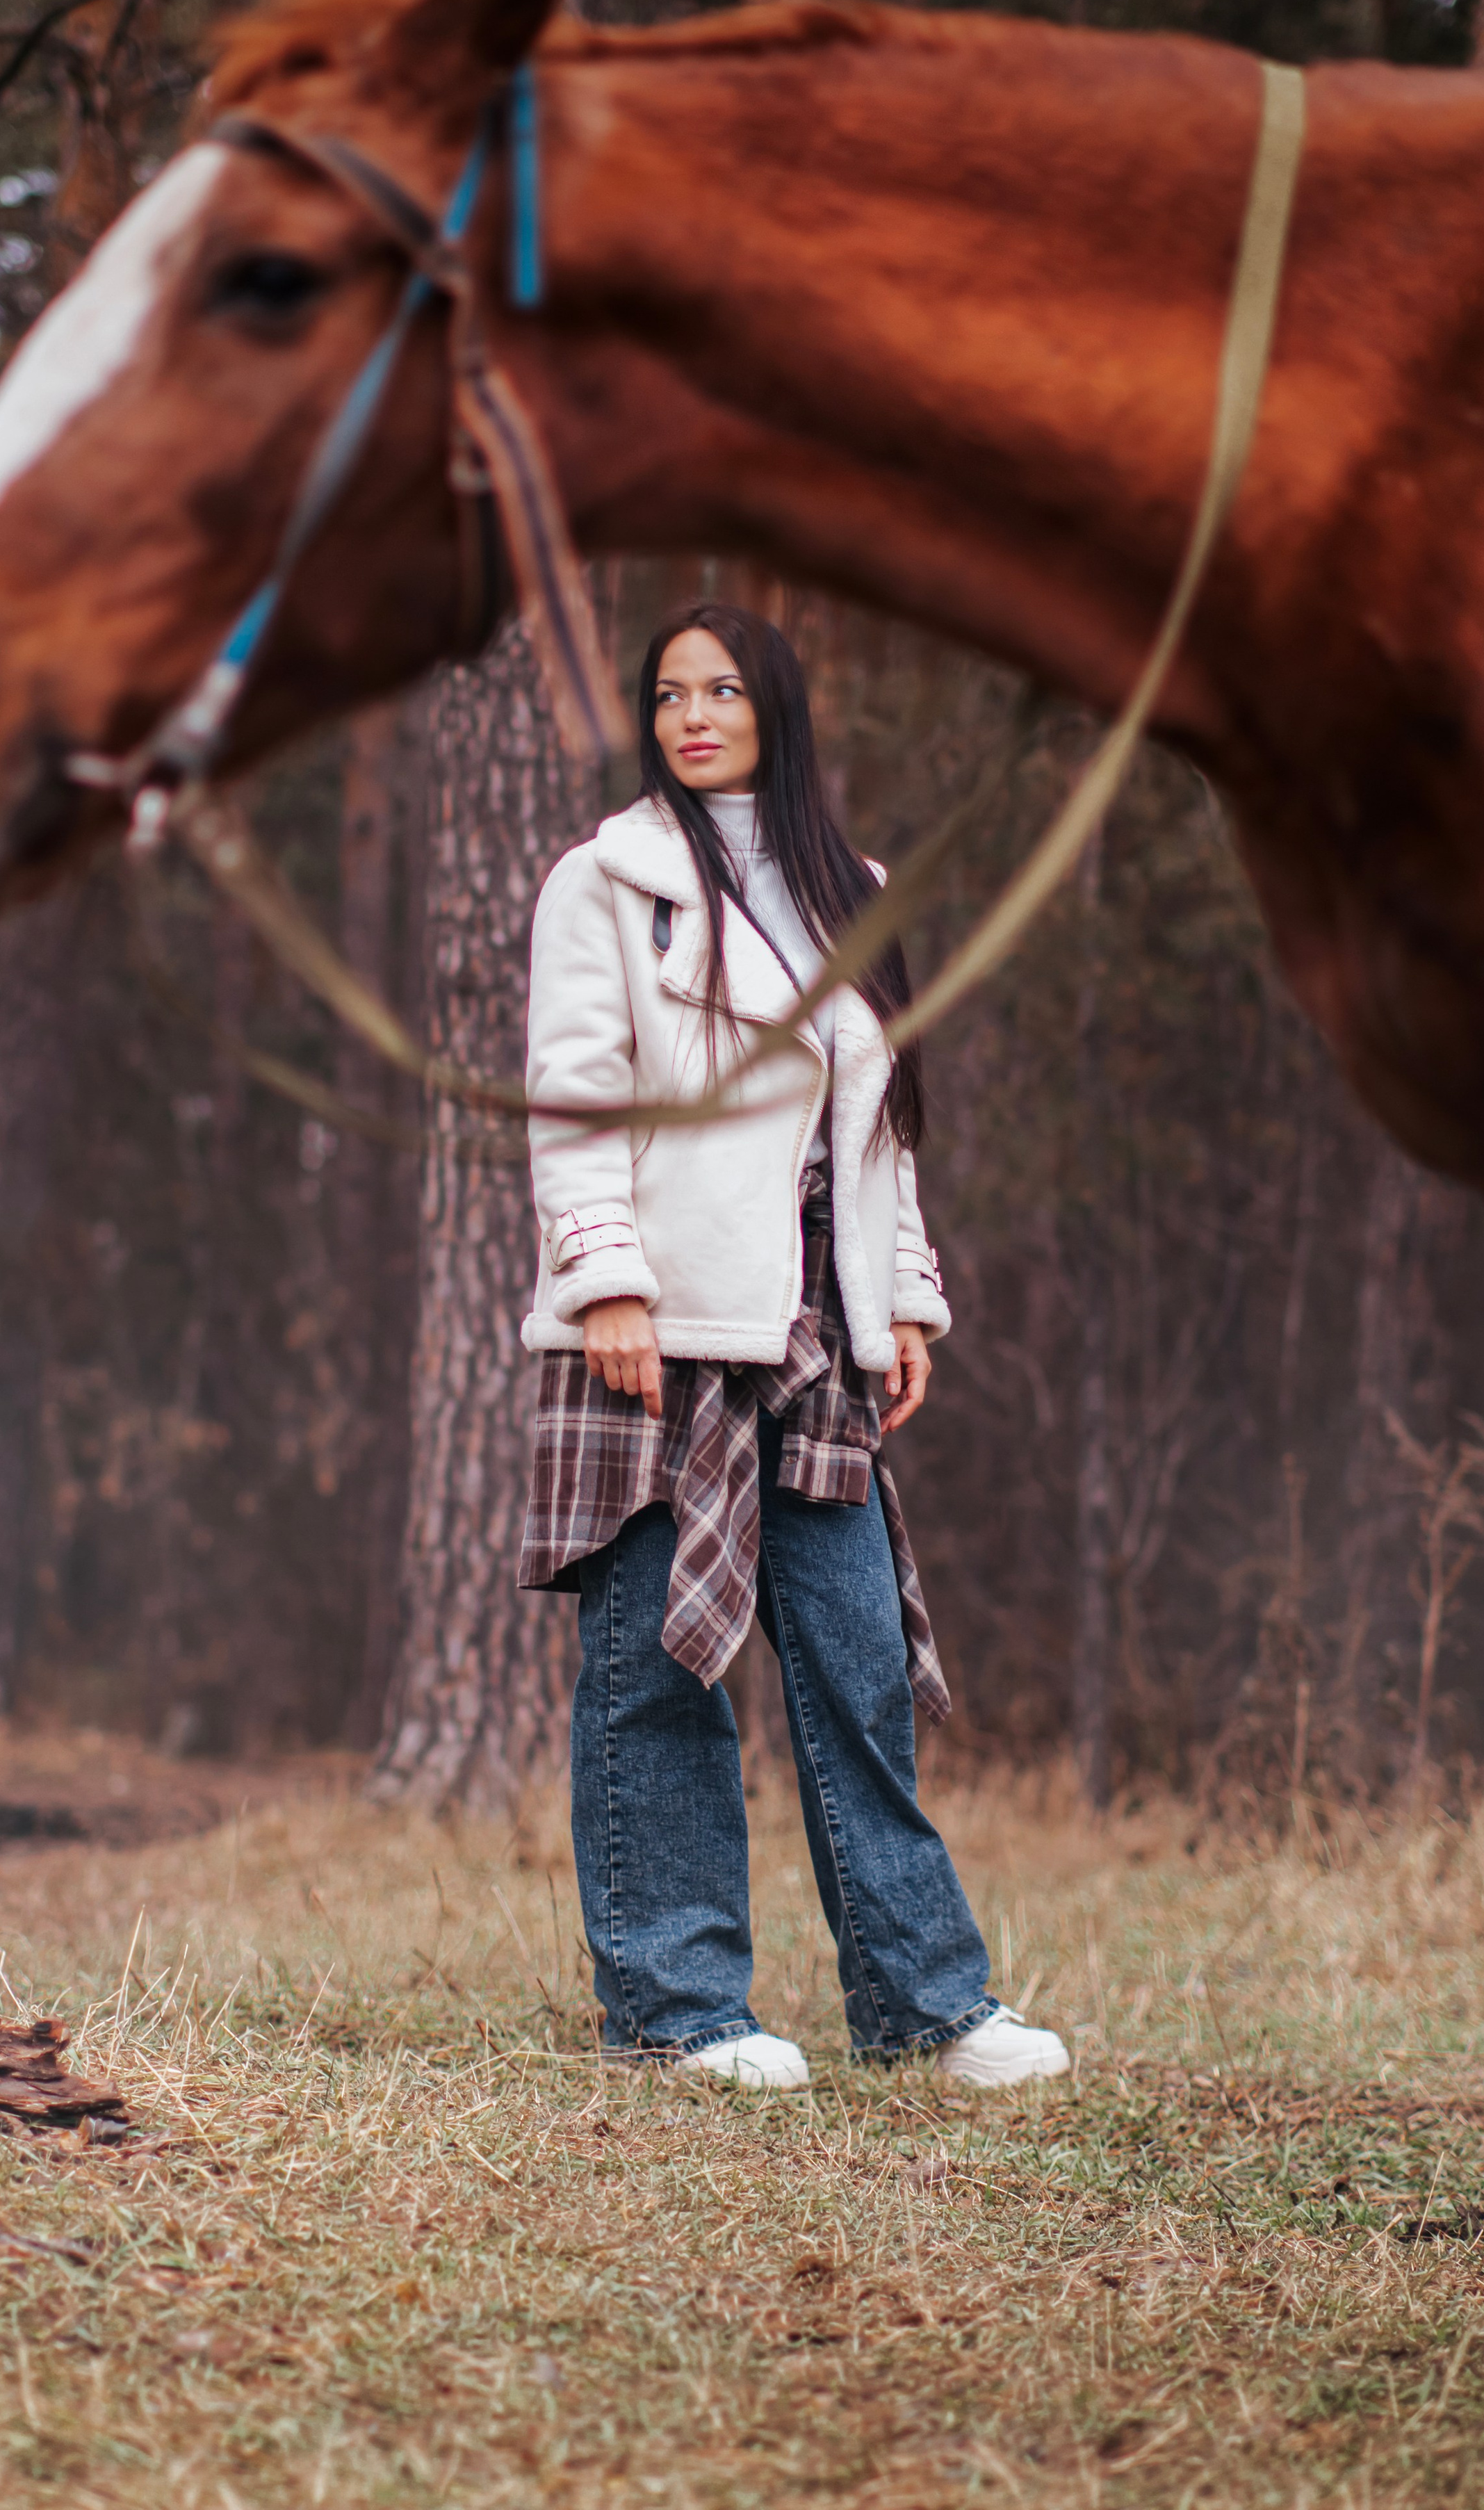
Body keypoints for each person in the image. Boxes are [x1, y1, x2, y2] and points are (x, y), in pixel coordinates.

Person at [517, 603, 1069, 2094]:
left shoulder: (853, 891)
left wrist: (902, 1302)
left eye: (721, 690)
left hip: (818, 1335)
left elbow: (873, 1128)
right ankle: (678, 2012)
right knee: (654, 1671)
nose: (691, 715)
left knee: (854, 1663)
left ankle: (925, 2008)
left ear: (775, 707)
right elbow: (572, 1100)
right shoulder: (607, 880)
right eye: (666, 693)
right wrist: (604, 1285)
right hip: (665, 1329)